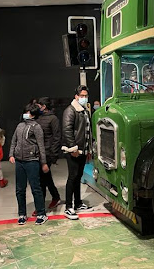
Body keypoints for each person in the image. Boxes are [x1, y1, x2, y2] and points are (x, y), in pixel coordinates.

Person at [9, 104, 49, 226]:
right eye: (26, 111)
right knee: (19, 189)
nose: (26, 114)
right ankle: (22, 214)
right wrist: (11, 154)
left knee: (36, 188)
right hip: (19, 161)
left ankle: (41, 213)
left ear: (34, 114)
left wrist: (43, 162)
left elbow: (41, 146)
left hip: (32, 161)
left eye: (29, 112)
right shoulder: (20, 125)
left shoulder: (37, 127)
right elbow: (14, 141)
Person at [62, 85, 93, 220]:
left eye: (85, 96)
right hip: (74, 151)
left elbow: (88, 131)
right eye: (82, 96)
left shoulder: (84, 110)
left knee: (78, 176)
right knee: (72, 177)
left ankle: (78, 203)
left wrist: (88, 149)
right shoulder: (70, 110)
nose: (84, 98)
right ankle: (68, 207)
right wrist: (73, 148)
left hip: (83, 150)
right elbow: (67, 130)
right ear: (76, 96)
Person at [36, 97, 61, 211]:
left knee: (42, 179)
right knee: (46, 177)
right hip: (39, 152)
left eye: (39, 106)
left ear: (44, 106)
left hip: (47, 153)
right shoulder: (38, 117)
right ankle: (55, 197)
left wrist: (53, 155)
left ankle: (40, 207)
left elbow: (56, 137)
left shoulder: (53, 119)